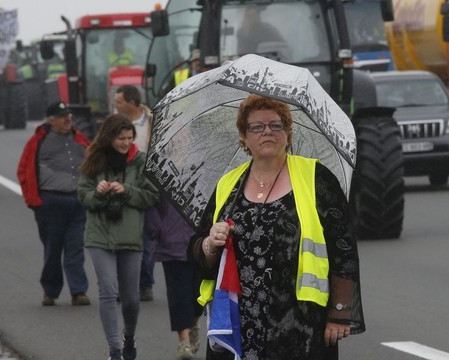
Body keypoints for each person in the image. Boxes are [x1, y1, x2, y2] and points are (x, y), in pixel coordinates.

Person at [188, 94, 365, 359]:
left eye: (275, 125)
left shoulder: (316, 177)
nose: (267, 132)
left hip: (300, 321)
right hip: (239, 318)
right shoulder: (228, 184)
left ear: (288, 133)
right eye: (257, 127)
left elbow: (343, 247)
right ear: (244, 138)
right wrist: (209, 243)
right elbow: (198, 249)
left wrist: (339, 312)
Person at [77, 114, 159, 360]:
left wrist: (126, 190)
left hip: (130, 236)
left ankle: (129, 338)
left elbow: (151, 196)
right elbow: (83, 196)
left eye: (129, 138)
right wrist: (99, 193)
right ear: (109, 137)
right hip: (99, 235)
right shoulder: (94, 159)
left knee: (131, 299)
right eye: (120, 138)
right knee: (107, 290)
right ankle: (114, 350)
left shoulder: (141, 161)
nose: (125, 142)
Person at [17, 101, 92, 307]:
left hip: (77, 202)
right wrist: (33, 200)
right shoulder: (38, 141)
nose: (68, 119)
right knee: (52, 249)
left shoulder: (80, 139)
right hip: (49, 203)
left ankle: (79, 291)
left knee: (75, 248)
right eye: (62, 116)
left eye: (69, 115)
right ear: (51, 121)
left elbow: (95, 164)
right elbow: (23, 170)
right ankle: (50, 291)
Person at [113, 84, 156, 301]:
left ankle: (145, 283)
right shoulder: (113, 123)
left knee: (147, 237)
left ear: (132, 103)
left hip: (146, 186)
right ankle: (125, 286)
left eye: (119, 101)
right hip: (120, 187)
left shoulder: (151, 121)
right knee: (122, 238)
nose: (115, 105)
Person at [146, 201, 203, 359]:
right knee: (178, 295)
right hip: (171, 244)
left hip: (200, 243)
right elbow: (151, 203)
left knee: (198, 295)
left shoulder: (206, 178)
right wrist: (158, 229)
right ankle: (184, 342)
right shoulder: (164, 178)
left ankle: (194, 323)